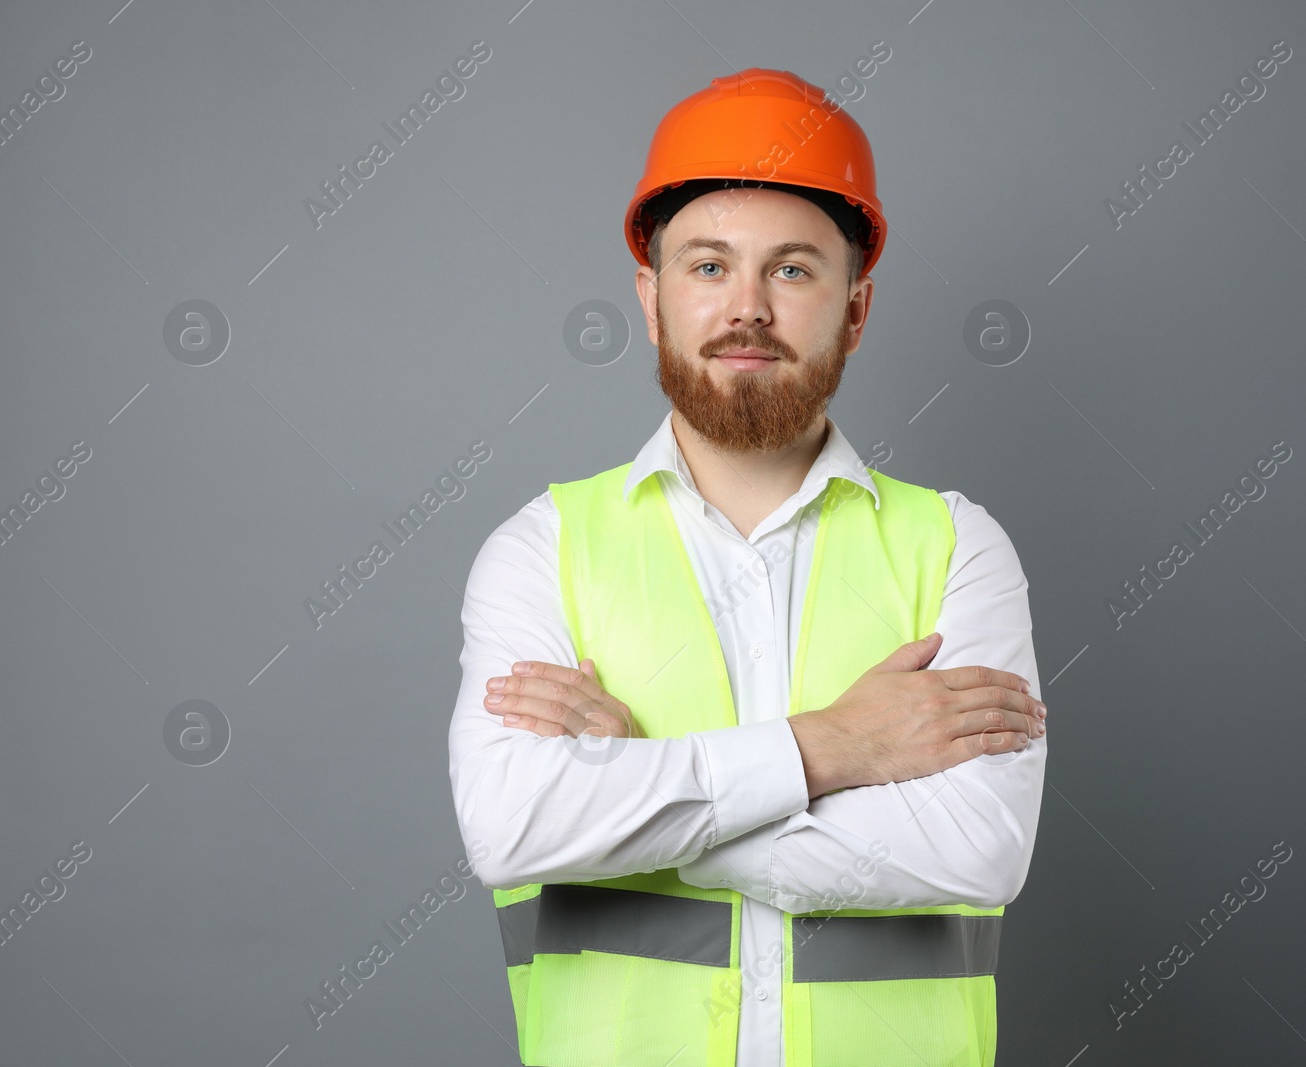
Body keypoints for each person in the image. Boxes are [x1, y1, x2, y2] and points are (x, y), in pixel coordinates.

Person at [447, 67, 1047, 1067]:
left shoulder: (956, 547)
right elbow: (513, 827)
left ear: (855, 309)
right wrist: (831, 747)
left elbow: (979, 844)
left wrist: (640, 794)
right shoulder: (542, 548)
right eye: (710, 266)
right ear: (652, 298)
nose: (749, 309)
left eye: (794, 270)